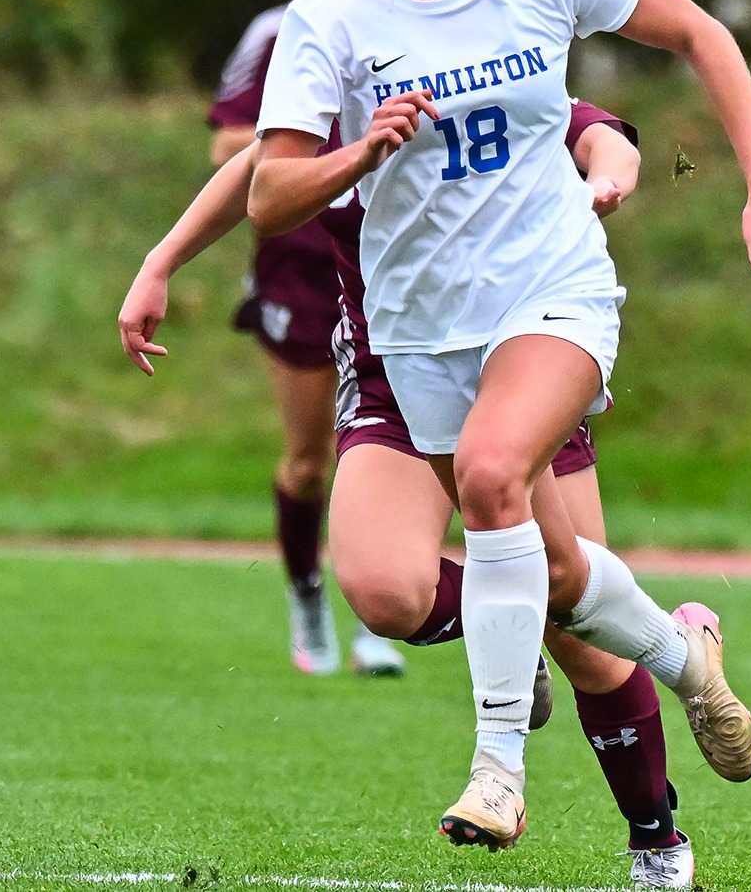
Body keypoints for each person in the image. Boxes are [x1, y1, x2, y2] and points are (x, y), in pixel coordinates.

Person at [248, 0, 751, 856]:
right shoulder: (329, 20)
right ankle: (686, 659)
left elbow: (699, 31)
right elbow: (269, 195)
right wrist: (359, 153)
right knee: (523, 578)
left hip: (552, 295)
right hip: (415, 332)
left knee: (494, 476)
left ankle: (498, 774)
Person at [121, 88, 699, 889]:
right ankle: (520, 626)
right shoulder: (324, 78)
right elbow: (259, 172)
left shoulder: (475, 47)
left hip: (517, 368)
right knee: (386, 592)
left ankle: (657, 838)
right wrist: (161, 262)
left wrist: (605, 172)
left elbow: (597, 129)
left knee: (581, 629)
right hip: (395, 381)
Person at [206, 0, 404, 678]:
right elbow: (230, 152)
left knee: (390, 450)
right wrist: (311, 155)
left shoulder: (414, 23)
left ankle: (377, 618)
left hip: (388, 271)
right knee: (310, 458)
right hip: (300, 269)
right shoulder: (278, 32)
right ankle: (307, 592)